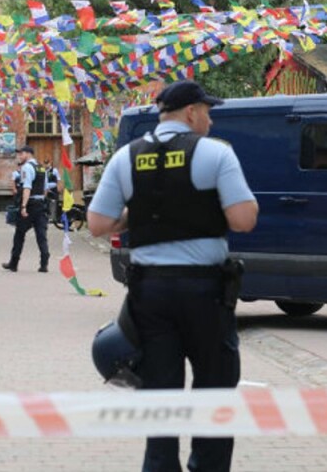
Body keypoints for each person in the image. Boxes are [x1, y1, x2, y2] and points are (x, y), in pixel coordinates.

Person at [87, 80, 258, 472]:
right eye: (208, 113)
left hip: (150, 293)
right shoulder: (216, 154)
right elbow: (244, 220)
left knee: (160, 392)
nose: (210, 122)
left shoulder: (127, 157)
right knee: (214, 387)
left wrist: (136, 213)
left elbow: (98, 224)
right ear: (192, 112)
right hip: (205, 291)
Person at [2, 145, 50, 273]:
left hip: (30, 204)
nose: (20, 156)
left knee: (19, 234)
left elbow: (27, 187)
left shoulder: (26, 167)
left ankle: (14, 263)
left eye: (21, 154)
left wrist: (23, 206)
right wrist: (42, 201)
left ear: (28, 154)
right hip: (41, 204)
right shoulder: (41, 168)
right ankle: (44, 263)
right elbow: (45, 188)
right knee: (41, 235)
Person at [44, 157, 61, 222]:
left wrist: (59, 188)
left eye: (47, 163)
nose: (46, 165)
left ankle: (54, 217)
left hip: (53, 189)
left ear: (50, 163)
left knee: (54, 203)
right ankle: (48, 217)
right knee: (47, 203)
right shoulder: (44, 171)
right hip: (46, 190)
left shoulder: (54, 170)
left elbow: (58, 179)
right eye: (45, 163)